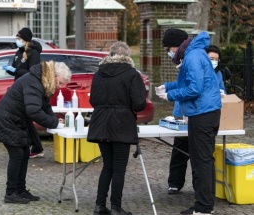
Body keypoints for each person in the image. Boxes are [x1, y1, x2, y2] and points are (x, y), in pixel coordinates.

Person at [156, 29, 221, 215]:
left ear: (176, 45)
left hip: (202, 113)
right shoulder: (195, 52)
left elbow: (194, 89)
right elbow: (187, 82)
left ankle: (203, 208)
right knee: (205, 161)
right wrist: (168, 86)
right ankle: (204, 205)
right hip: (206, 111)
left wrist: (170, 95)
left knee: (201, 162)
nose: (170, 52)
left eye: (169, 48)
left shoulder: (192, 57)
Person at [0, 61, 70, 204]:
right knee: (17, 155)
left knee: (25, 153)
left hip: (15, 120)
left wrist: (54, 121)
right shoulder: (34, 82)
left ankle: (20, 190)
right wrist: (54, 123)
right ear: (55, 75)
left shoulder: (43, 80)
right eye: (61, 82)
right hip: (5, 120)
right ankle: (10, 193)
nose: (60, 86)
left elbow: (45, 105)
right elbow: (33, 111)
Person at [87, 41, 147, 215]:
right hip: (121, 123)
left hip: (101, 123)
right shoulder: (131, 74)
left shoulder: (99, 74)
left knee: (107, 166)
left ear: (110, 54)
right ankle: (115, 207)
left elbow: (93, 101)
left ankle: (99, 205)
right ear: (127, 56)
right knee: (119, 168)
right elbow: (139, 103)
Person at [167, 45, 227, 200]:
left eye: (216, 59)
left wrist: (221, 93)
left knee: (202, 157)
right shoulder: (193, 67)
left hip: (202, 116)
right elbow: (186, 88)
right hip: (184, 115)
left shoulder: (217, 73)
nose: (213, 62)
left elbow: (220, 90)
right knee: (180, 150)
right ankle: (175, 182)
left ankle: (201, 190)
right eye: (211, 59)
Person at [2, 27, 45, 159]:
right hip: (18, 87)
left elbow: (33, 72)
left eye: (19, 38)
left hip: (28, 88)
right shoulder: (19, 51)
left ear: (25, 39)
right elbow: (17, 68)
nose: (17, 41)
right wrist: (9, 69)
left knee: (25, 119)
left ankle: (36, 147)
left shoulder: (34, 53)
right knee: (23, 119)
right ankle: (33, 146)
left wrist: (15, 71)